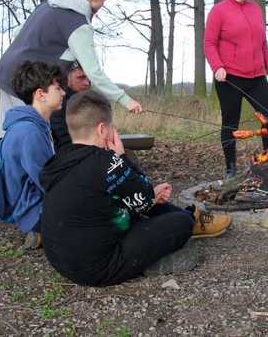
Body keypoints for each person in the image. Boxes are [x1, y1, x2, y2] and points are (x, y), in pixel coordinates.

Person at [39, 90, 232, 286]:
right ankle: (191, 219)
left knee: (147, 203)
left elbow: (134, 197)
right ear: (102, 130)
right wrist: (121, 156)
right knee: (181, 222)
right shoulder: (106, 163)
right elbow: (144, 196)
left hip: (63, 261)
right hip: (98, 267)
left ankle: (193, 217)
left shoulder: (61, 158)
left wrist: (150, 196)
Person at [0, 0, 141, 138]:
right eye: (103, 0)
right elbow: (94, 73)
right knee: (34, 136)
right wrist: (126, 100)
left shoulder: (48, 6)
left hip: (6, 70)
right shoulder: (78, 24)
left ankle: (1, 164)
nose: (102, 5)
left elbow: (21, 34)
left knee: (7, 133)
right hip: (29, 81)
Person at [204, 0, 268, 179]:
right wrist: (217, 66)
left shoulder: (256, 9)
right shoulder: (219, 11)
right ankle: (230, 168)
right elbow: (209, 43)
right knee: (231, 124)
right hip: (229, 78)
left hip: (257, 77)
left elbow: (263, 43)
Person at [0, 61, 66, 249]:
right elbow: (49, 182)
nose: (63, 92)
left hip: (26, 206)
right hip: (31, 212)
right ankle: (39, 230)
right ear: (40, 94)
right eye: (57, 88)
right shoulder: (30, 132)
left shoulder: (32, 125)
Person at [50, 60, 91, 151]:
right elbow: (64, 141)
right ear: (67, 77)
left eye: (89, 78)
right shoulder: (58, 102)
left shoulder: (86, 99)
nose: (87, 83)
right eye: (81, 77)